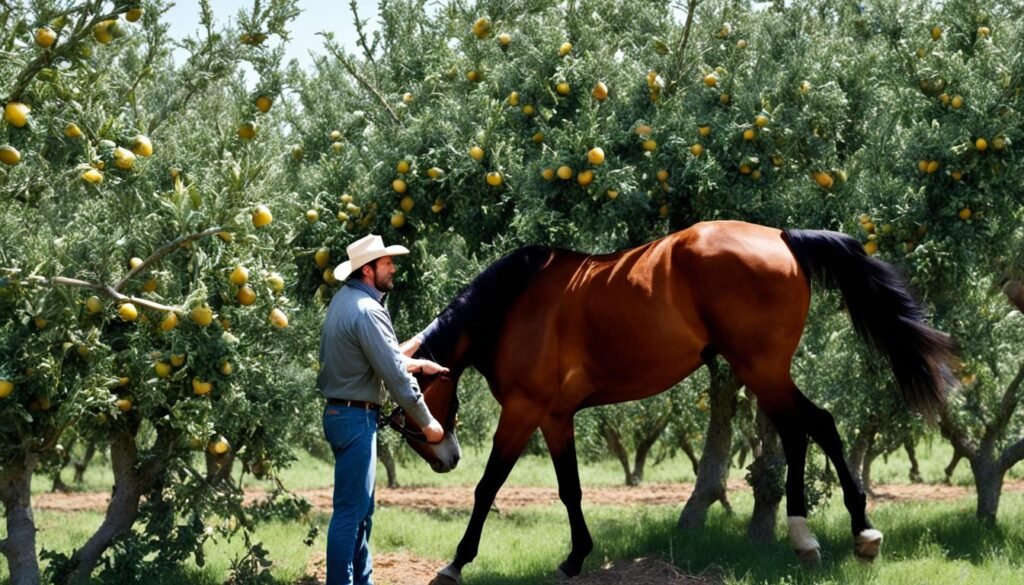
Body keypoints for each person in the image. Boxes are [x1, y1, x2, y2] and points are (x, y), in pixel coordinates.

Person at [317, 233, 447, 585]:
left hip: (344, 415)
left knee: (361, 513)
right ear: (368, 270)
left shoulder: (344, 302)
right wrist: (429, 423)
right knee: (350, 513)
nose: (393, 267)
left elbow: (376, 360)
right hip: (356, 418)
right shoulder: (368, 311)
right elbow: (393, 378)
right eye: (387, 262)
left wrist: (417, 364)